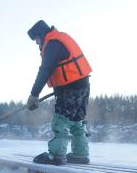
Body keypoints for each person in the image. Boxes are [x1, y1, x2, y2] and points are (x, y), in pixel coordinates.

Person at [26, 20, 91, 165]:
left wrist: (34, 94)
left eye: (37, 39)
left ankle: (55, 156)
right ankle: (80, 154)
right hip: (82, 85)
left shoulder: (52, 44)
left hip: (70, 88)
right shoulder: (61, 38)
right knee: (76, 121)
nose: (37, 43)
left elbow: (45, 70)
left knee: (61, 121)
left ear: (42, 35)